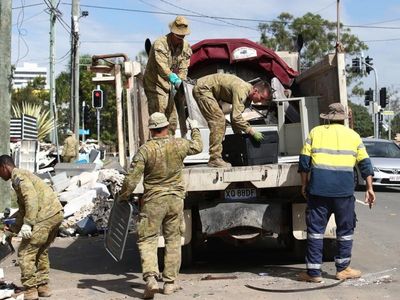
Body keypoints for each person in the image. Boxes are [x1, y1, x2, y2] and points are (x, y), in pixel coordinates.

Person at [119, 112, 202, 299]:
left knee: (148, 239)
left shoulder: (145, 150)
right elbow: (198, 147)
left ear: (151, 130)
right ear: (167, 127)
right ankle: (170, 284)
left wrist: (122, 197)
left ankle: (151, 279)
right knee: (173, 239)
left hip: (153, 201)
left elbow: (132, 180)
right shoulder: (179, 144)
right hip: (175, 200)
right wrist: (194, 128)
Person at [297, 103, 376, 283]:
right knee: (345, 231)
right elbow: (365, 164)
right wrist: (369, 188)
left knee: (316, 232)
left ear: (327, 117)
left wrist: (304, 184)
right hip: (344, 193)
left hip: (318, 191)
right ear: (344, 118)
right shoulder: (354, 136)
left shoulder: (315, 132)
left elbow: (304, 162)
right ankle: (342, 269)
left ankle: (314, 273)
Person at [0, 155, 63, 300]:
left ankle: (31, 290)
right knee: (41, 251)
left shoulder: (18, 177)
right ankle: (43, 287)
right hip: (55, 214)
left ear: (4, 167)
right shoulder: (22, 175)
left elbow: (31, 199)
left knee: (25, 252)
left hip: (44, 216)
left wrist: (28, 223)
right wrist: (12, 230)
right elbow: (23, 209)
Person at [192, 73, 273, 167]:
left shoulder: (247, 98)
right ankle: (214, 158)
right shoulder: (242, 91)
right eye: (262, 98)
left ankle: (217, 156)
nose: (261, 102)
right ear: (255, 91)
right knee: (218, 121)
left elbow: (234, 118)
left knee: (221, 122)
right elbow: (236, 118)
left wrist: (238, 137)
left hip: (209, 92)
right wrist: (251, 131)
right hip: (203, 89)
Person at [143, 16, 192, 136]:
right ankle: (158, 148)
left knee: (172, 119)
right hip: (154, 82)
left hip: (168, 85)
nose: (181, 38)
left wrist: (180, 81)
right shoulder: (160, 44)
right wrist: (173, 78)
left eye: (183, 36)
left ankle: (169, 146)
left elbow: (183, 68)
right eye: (178, 36)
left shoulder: (185, 47)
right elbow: (162, 68)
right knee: (159, 117)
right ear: (172, 32)